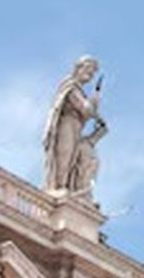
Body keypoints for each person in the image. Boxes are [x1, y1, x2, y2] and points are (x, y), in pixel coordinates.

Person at [42, 55, 106, 195]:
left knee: (72, 159)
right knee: (65, 155)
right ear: (79, 68)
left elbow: (86, 112)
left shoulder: (78, 90)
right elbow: (85, 109)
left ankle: (66, 188)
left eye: (93, 73)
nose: (90, 75)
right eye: (89, 70)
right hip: (67, 124)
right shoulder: (70, 86)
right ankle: (59, 188)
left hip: (76, 126)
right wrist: (95, 99)